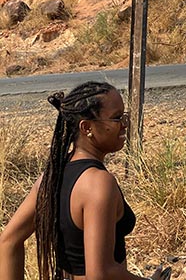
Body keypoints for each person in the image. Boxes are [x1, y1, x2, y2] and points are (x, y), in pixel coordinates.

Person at [0, 81, 169, 280]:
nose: (124, 124)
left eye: (124, 116)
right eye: (117, 118)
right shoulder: (99, 183)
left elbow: (8, 242)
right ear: (87, 127)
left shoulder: (50, 178)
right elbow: (100, 274)